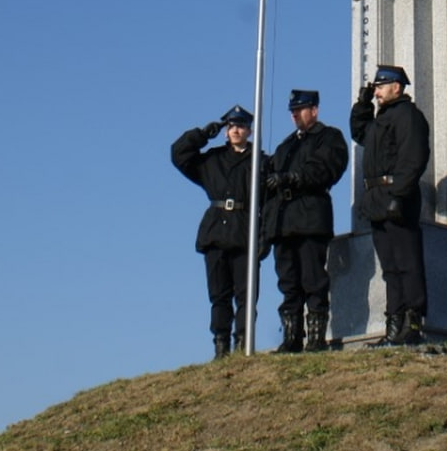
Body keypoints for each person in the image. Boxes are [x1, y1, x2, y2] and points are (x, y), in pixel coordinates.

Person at [170, 104, 262, 359]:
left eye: (241, 126)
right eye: (231, 126)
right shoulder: (213, 160)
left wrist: (264, 236)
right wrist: (201, 134)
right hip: (217, 233)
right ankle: (221, 345)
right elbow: (178, 154)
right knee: (219, 295)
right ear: (225, 131)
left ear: (249, 130)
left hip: (245, 233)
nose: (235, 130)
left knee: (245, 295)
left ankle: (243, 342)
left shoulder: (260, 161)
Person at [262, 88, 348, 353]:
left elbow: (325, 170)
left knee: (313, 279)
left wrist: (292, 178)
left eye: (300, 110)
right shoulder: (285, 146)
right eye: (292, 112)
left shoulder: (328, 137)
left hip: (311, 217)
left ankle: (315, 338)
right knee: (288, 281)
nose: (295, 116)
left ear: (314, 110)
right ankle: (291, 338)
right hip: (284, 221)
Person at [350, 64, 430, 346]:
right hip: (376, 200)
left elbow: (414, 158)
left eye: (381, 86)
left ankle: (414, 323)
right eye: (375, 87)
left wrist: (399, 195)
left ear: (397, 87)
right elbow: (360, 133)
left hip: (398, 199)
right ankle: (394, 326)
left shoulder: (409, 116)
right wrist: (362, 104)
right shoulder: (380, 120)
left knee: (407, 263)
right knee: (390, 268)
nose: (377, 91)